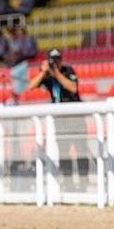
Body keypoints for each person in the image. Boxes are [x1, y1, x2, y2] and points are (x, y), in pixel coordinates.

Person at [27, 48, 88, 190]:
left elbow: (73, 88)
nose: (55, 63)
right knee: (63, 152)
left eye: (57, 60)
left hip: (76, 119)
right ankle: (68, 184)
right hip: (60, 121)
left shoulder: (67, 71)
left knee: (81, 151)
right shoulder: (47, 76)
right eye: (52, 60)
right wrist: (43, 71)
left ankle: (83, 185)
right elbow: (31, 86)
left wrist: (57, 73)